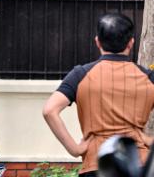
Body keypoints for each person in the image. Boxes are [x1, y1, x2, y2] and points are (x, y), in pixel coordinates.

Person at [43, 13, 154, 176]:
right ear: (131, 43)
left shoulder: (81, 74)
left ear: (97, 41)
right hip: (138, 162)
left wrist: (74, 149)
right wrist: (150, 141)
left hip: (96, 163)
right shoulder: (148, 77)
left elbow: (49, 110)